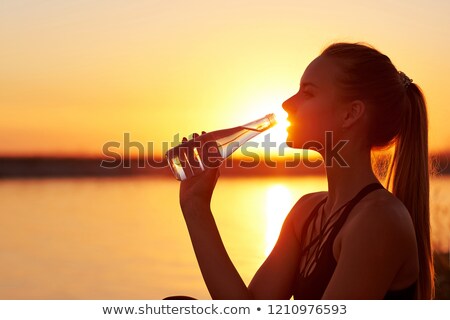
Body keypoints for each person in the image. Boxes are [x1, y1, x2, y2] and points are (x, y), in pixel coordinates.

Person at [177, 42, 434, 299]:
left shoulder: (379, 220)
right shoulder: (307, 212)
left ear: (350, 114)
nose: (288, 103)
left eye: (308, 93)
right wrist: (195, 205)